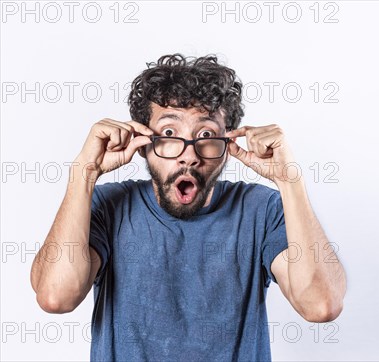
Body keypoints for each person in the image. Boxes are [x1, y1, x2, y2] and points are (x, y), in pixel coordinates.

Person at [30, 54, 347, 361]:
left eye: (206, 134)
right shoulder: (107, 206)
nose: (188, 155)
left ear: (227, 145)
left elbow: (320, 305)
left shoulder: (262, 210)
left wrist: (290, 182)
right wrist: (82, 175)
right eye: (169, 133)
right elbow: (57, 296)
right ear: (143, 143)